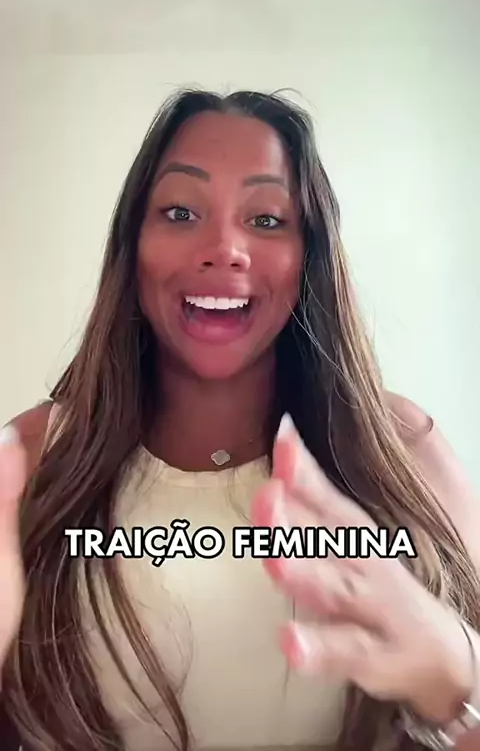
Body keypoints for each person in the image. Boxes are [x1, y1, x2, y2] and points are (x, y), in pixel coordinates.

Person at [0, 88, 479, 751]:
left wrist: (460, 678)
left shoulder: (403, 450)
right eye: (180, 212)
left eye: (267, 219)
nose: (224, 248)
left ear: (309, 255)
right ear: (132, 245)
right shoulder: (28, 459)